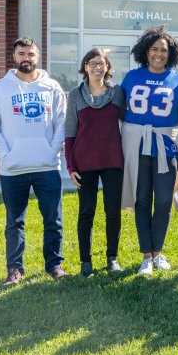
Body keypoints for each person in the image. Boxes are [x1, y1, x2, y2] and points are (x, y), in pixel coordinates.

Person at [0, 37, 67, 285]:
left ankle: (54, 264)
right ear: (14, 56)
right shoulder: (0, 88)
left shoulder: (52, 87)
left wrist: (52, 151)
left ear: (38, 56)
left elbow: (61, 123)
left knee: (53, 219)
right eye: (21, 54)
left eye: (30, 54)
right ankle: (15, 270)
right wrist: (6, 154)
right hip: (13, 169)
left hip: (47, 167)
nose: (26, 58)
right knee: (14, 222)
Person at [120, 26, 178, 275]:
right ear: (145, 52)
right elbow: (117, 111)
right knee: (142, 200)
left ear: (171, 54)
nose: (159, 54)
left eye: (164, 50)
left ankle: (158, 252)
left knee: (164, 199)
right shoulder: (131, 77)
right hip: (137, 145)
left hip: (165, 145)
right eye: (154, 49)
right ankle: (146, 255)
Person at [65, 48, 126, 277]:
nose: (98, 67)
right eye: (93, 63)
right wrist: (70, 167)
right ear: (85, 67)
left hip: (112, 160)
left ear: (108, 67)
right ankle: (85, 261)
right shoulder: (75, 95)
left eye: (102, 63)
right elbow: (70, 133)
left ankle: (112, 257)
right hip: (84, 162)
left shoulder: (117, 93)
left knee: (112, 211)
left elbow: (128, 123)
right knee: (86, 212)